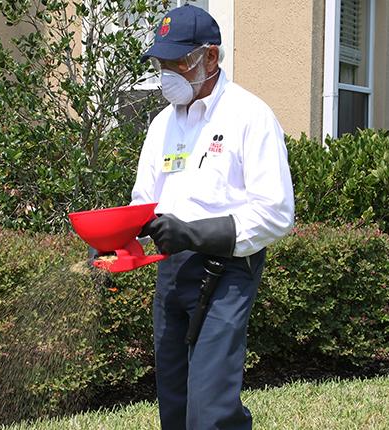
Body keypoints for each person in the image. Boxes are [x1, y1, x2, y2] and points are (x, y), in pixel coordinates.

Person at [131, 4, 295, 430]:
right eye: (162, 62)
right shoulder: (161, 125)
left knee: (209, 410)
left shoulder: (249, 116)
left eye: (179, 62)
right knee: (175, 403)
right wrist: (117, 235)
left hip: (226, 271)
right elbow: (144, 202)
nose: (168, 72)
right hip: (171, 271)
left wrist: (193, 232)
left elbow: (277, 212)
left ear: (211, 56)